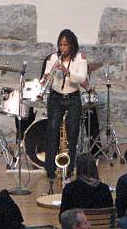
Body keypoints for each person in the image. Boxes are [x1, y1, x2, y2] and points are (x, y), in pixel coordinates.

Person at [43, 29, 88, 188]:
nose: (63, 48)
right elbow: (45, 77)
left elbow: (82, 79)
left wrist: (67, 71)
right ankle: (50, 168)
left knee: (72, 131)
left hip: (73, 97)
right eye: (61, 45)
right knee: (52, 129)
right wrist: (45, 79)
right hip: (56, 97)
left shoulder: (80, 58)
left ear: (72, 45)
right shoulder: (53, 58)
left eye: (66, 45)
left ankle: (69, 169)